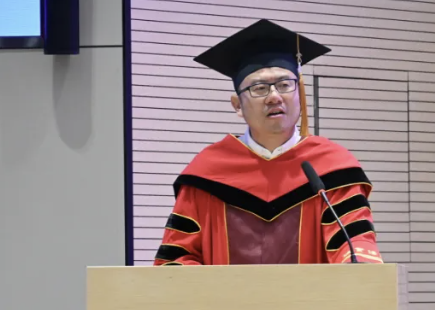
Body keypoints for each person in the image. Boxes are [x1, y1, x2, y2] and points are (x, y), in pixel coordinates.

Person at [152, 19, 385, 267]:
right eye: (259, 88)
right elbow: (177, 257)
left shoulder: (332, 167)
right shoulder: (206, 173)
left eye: (285, 85)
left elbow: (355, 243)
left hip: (313, 294)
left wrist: (358, 264)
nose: (274, 97)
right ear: (237, 105)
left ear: (299, 94)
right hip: (225, 295)